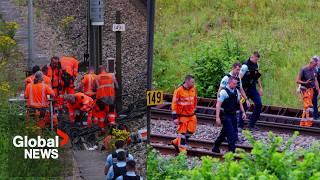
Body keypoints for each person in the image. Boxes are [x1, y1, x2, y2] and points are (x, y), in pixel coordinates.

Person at [212, 76, 246, 153]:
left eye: (236, 84)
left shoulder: (236, 91)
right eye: (234, 84)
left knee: (224, 132)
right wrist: (217, 118)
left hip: (233, 115)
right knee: (231, 134)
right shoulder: (223, 92)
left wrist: (243, 112)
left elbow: (239, 102)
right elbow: (218, 105)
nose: (235, 85)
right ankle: (232, 152)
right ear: (229, 83)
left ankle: (216, 146)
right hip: (225, 115)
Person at [218, 62, 250, 133]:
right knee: (228, 117)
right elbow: (220, 90)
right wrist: (219, 101)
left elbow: (241, 89)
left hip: (234, 99)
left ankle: (239, 126)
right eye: (237, 70)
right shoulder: (226, 78)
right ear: (233, 68)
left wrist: (246, 99)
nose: (238, 72)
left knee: (244, 104)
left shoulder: (238, 78)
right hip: (227, 101)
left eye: (239, 70)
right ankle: (229, 132)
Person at [171, 75, 197, 153]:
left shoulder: (193, 89)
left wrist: (194, 108)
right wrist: (175, 117)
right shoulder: (178, 91)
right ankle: (182, 153)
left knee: (191, 131)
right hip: (183, 116)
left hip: (191, 115)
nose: (193, 83)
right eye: (192, 82)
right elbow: (174, 104)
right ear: (187, 81)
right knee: (182, 135)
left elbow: (194, 99)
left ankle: (176, 142)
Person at [239, 51, 262, 130]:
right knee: (244, 106)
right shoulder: (245, 66)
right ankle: (240, 126)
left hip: (252, 88)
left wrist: (260, 88)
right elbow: (239, 78)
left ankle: (251, 125)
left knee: (259, 104)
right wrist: (240, 90)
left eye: (257, 60)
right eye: (256, 60)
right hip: (244, 89)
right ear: (252, 57)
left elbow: (257, 77)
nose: (257, 61)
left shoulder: (256, 65)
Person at [296, 56, 320, 127]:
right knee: (307, 106)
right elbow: (297, 81)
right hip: (305, 90)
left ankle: (314, 119)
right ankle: (305, 123)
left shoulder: (314, 70)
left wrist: (318, 89)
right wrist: (305, 82)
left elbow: (315, 80)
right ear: (311, 63)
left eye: (316, 65)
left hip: (312, 90)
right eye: (315, 65)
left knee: (314, 103)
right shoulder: (303, 69)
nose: (315, 66)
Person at [94, 65, 119, 131]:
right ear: (106, 69)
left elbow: (94, 88)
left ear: (99, 70)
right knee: (111, 111)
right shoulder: (112, 75)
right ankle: (112, 123)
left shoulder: (96, 77)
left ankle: (102, 129)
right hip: (111, 97)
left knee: (101, 112)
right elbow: (117, 86)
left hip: (101, 98)